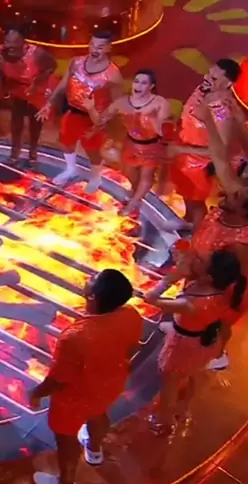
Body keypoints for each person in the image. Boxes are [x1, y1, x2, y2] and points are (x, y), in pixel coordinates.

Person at [30, 270, 143, 484]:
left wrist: (37, 393)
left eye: (92, 279)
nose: (88, 278)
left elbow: (59, 380)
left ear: (92, 296)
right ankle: (94, 450)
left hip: (74, 398)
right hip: (110, 383)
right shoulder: (131, 315)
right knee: (99, 413)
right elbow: (132, 347)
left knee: (66, 438)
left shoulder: (75, 337)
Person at [156, 99, 248, 370]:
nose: (225, 192)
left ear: (243, 211)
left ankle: (216, 353)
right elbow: (220, 158)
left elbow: (234, 284)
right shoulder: (230, 208)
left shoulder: (241, 244)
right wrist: (209, 119)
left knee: (219, 320)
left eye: (235, 196)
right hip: (201, 272)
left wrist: (217, 303)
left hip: (220, 289)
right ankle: (184, 327)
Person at [143, 249, 246, 435]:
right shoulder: (221, 291)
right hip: (203, 340)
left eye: (202, 262)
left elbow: (151, 299)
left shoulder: (191, 304)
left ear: (208, 277)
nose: (197, 261)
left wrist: (173, 277)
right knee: (192, 372)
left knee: (169, 383)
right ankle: (185, 408)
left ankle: (165, 421)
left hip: (183, 345)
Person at [37, 31, 123, 191]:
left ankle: (96, 178)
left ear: (108, 48)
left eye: (100, 47)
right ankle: (71, 169)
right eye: (92, 45)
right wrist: (49, 103)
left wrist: (99, 125)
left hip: (94, 118)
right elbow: (63, 85)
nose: (95, 50)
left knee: (92, 150)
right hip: (73, 111)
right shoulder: (76, 62)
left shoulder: (113, 75)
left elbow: (117, 104)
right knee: (66, 141)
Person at [169, 59, 242, 231]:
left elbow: (221, 152)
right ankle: (187, 221)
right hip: (182, 155)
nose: (207, 78)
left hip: (199, 165)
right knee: (186, 197)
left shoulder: (223, 112)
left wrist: (181, 149)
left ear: (228, 84)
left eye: (214, 78)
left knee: (196, 204)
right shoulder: (202, 90)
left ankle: (196, 235)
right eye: (208, 73)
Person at [98, 69, 170, 217]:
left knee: (146, 177)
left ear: (151, 86)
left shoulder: (160, 103)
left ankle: (133, 204)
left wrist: (152, 119)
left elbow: (161, 131)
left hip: (151, 146)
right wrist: (93, 111)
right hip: (131, 144)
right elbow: (103, 117)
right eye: (136, 81)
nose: (138, 85)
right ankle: (137, 193)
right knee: (129, 174)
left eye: (144, 83)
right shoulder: (123, 102)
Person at [0, 25, 58, 167]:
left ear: (23, 42)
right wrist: (4, 87)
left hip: (37, 87)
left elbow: (52, 67)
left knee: (35, 121)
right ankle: (15, 152)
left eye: (15, 42)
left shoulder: (37, 54)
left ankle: (33, 151)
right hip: (18, 88)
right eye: (7, 41)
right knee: (16, 120)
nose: (10, 46)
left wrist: (36, 83)